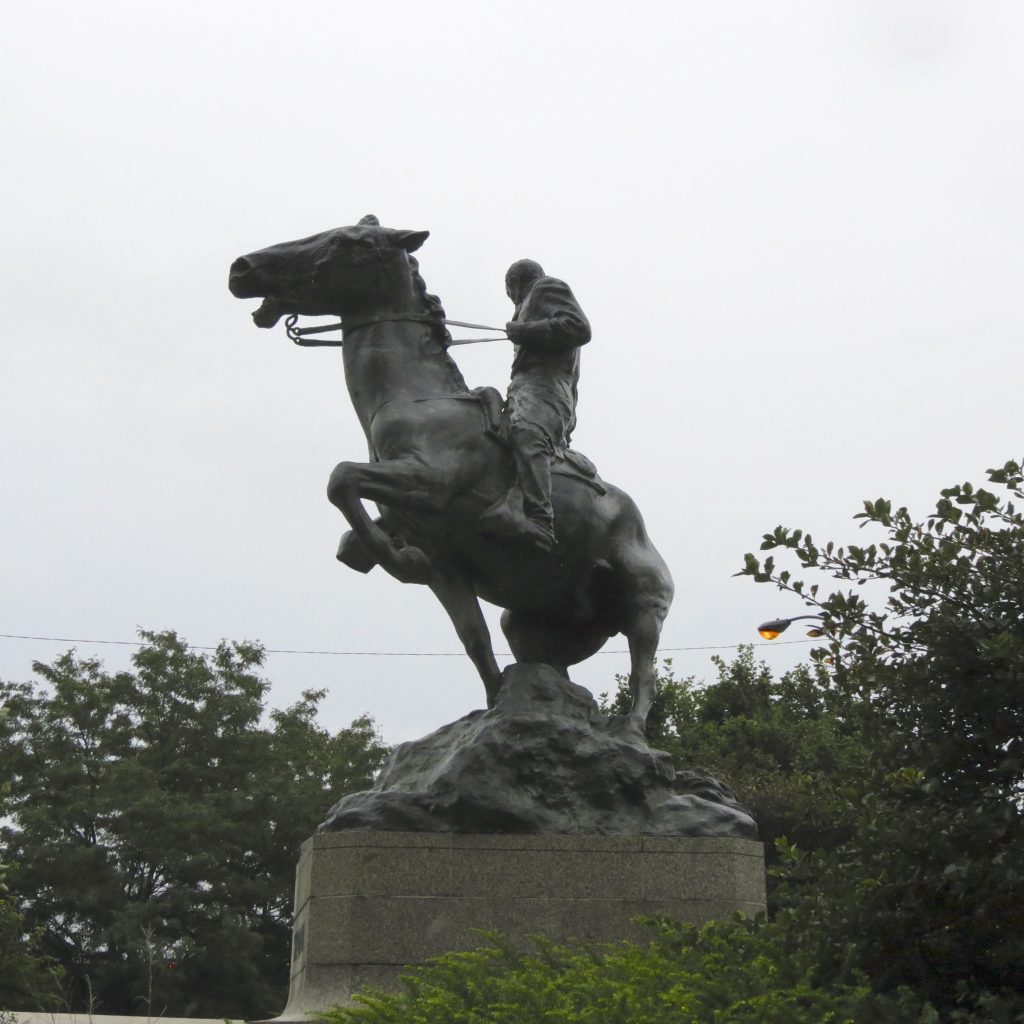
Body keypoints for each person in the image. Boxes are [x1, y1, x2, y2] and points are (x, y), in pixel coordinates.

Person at [487, 258, 591, 551]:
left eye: (510, 293)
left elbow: (579, 328)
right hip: (525, 388)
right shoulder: (530, 300)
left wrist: (525, 330)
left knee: (527, 434)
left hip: (547, 387)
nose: (513, 301)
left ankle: (541, 520)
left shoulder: (546, 287)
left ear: (515, 283)